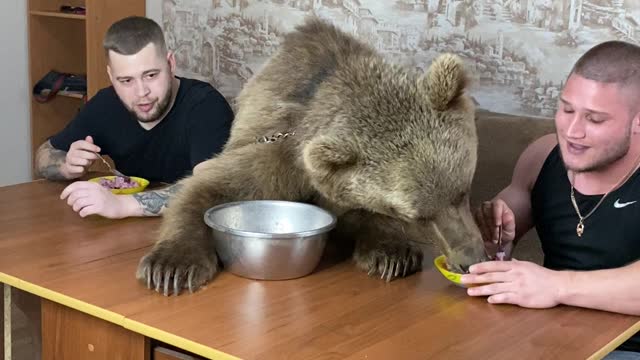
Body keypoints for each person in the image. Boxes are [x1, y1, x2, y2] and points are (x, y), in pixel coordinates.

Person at [463, 40, 640, 358]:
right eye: (567, 109)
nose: (572, 131)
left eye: (594, 119)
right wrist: (493, 243)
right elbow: (498, 233)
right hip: (547, 338)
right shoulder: (542, 155)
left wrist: (554, 285)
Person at [34, 16, 233, 218]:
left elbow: (210, 188)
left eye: (151, 75)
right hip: (125, 234)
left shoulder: (205, 105)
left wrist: (123, 205)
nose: (141, 92)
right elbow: (44, 154)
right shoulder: (105, 104)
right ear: (111, 76)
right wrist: (66, 165)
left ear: (170, 64)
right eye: (126, 80)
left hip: (193, 231)